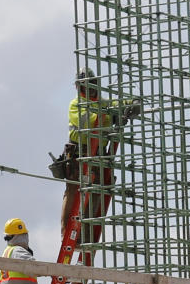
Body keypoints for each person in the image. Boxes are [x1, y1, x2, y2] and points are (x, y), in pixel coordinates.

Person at [58, 68, 140, 238]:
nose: (89, 89)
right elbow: (90, 121)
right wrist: (113, 116)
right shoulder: (76, 104)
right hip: (80, 155)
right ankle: (68, 233)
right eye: (85, 85)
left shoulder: (103, 103)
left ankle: (86, 235)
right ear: (79, 87)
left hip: (99, 155)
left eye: (92, 84)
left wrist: (132, 104)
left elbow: (121, 105)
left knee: (97, 194)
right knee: (74, 192)